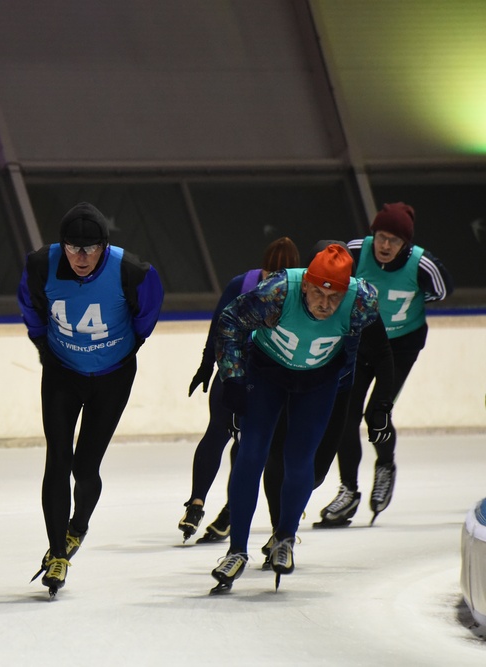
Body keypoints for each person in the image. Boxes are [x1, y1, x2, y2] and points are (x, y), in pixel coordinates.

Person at [209, 243, 379, 594]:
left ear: (347, 292)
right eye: (318, 293)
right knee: (251, 452)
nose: (325, 305)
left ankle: (285, 538)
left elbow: (369, 341)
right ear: (306, 285)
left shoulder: (361, 300)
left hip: (318, 381)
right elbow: (229, 321)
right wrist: (234, 377)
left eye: (334, 298)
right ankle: (236, 550)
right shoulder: (278, 290)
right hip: (267, 374)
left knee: (300, 459)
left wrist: (348, 382)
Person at [17, 202, 164, 597]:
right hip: (62, 373)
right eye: (73, 248)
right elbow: (30, 308)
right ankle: (57, 553)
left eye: (91, 248)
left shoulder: (133, 271)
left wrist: (120, 352)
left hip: (112, 378)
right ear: (61, 245)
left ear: (105, 246)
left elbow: (146, 319)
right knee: (58, 460)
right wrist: (44, 348)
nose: (81, 257)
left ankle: (78, 525)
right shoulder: (39, 266)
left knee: (85, 468)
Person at [324, 203, 452, 524]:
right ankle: (348, 490)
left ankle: (384, 466)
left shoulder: (423, 264)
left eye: (394, 240)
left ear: (405, 244)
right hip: (362, 341)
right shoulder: (355, 251)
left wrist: (410, 304)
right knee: (346, 414)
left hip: (400, 347)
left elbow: (442, 292)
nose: (384, 245)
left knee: (375, 412)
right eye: (381, 237)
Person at [180, 237, 300, 544]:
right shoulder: (246, 284)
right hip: (237, 370)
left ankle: (228, 510)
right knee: (221, 433)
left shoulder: (297, 291)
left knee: (244, 443)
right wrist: (206, 365)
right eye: (269, 273)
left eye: (280, 275)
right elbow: (219, 325)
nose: (272, 282)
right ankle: (198, 503)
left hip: (265, 376)